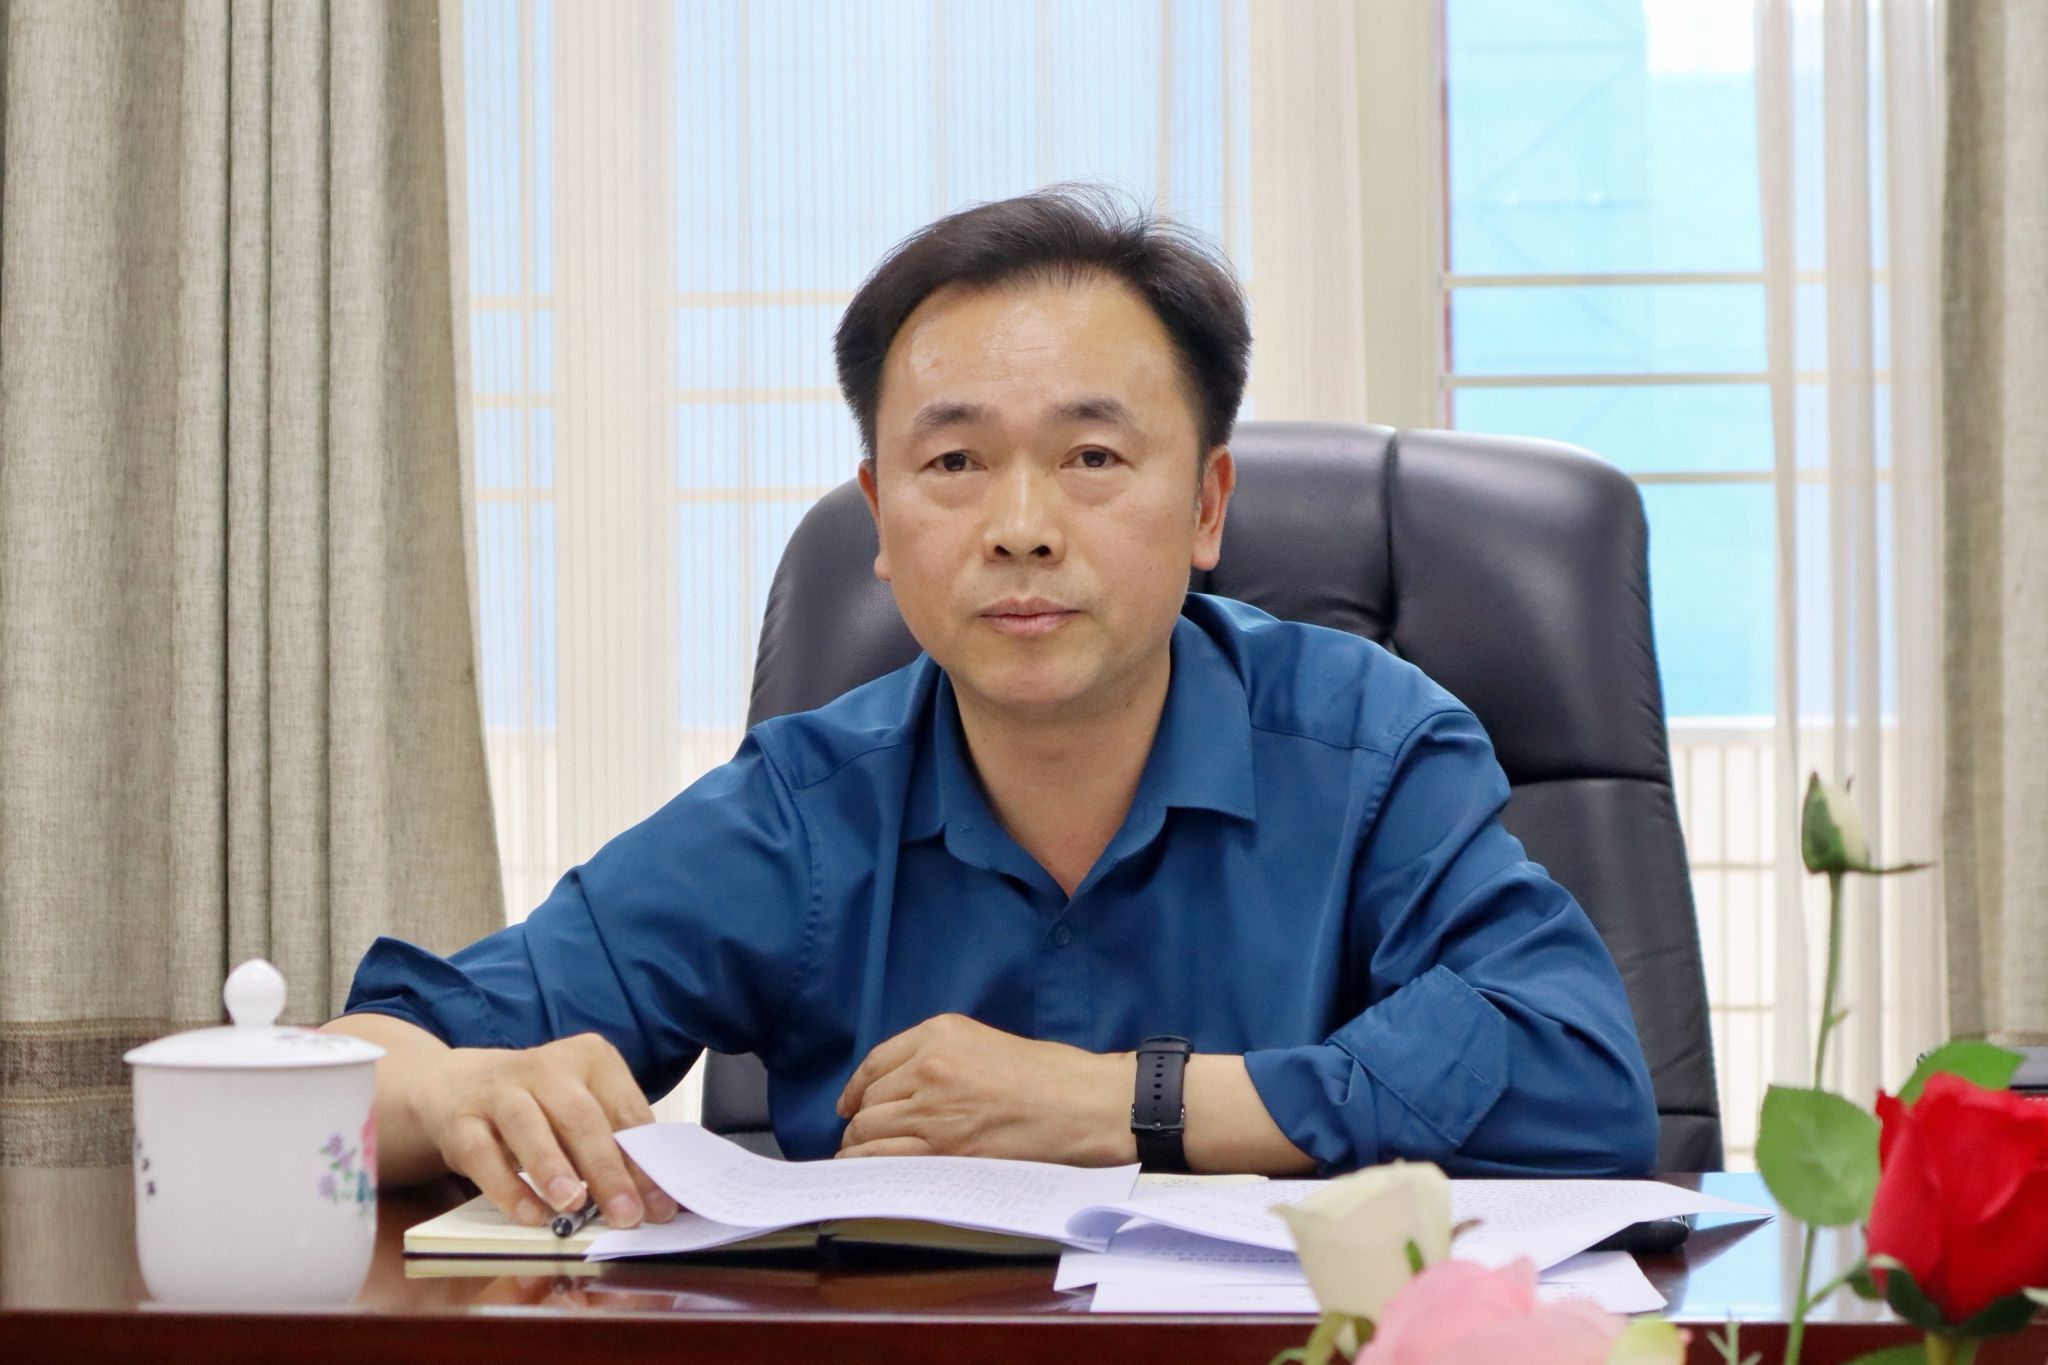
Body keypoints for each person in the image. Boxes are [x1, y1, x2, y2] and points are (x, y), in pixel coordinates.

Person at [326, 185, 1659, 1233]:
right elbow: (351, 1071)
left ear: (1207, 505)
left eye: (1092, 456)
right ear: (882, 521)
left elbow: (1574, 1076)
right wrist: (456, 1087)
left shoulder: (1367, 747)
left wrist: (1126, 1104)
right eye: (956, 460)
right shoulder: (804, 813)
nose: (1022, 526)